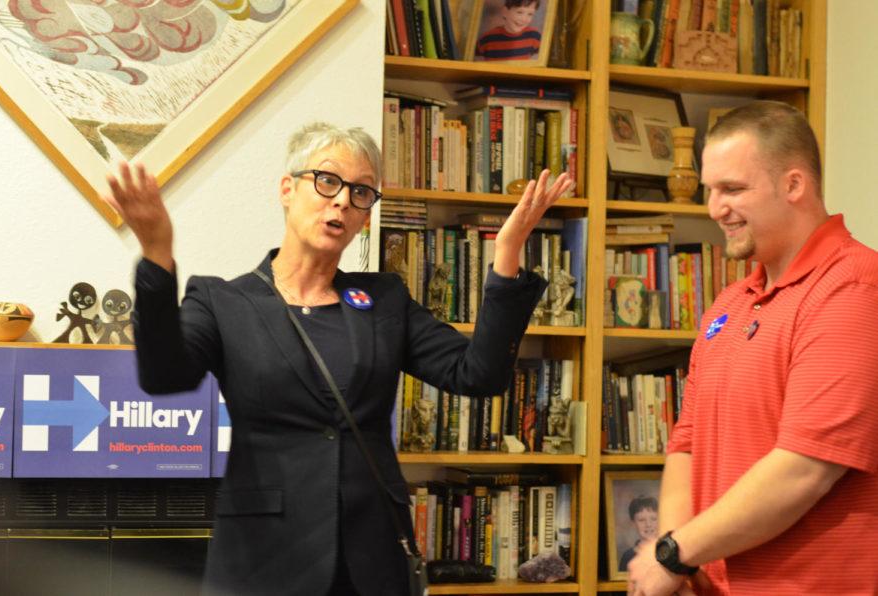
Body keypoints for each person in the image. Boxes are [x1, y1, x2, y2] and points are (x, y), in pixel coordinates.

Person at [103, 122, 572, 596]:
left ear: (366, 215)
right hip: (262, 558)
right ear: (288, 189)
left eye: (361, 192)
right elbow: (163, 376)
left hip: (371, 558)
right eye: (327, 181)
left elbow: (479, 374)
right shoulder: (222, 301)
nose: (343, 200)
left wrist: (507, 253)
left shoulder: (384, 300)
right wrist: (156, 251)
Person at [627, 101, 878, 595]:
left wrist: (675, 553)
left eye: (733, 189)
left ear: (794, 184)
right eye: (710, 190)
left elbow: (804, 468)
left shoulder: (855, 289)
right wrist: (674, 557)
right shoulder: (731, 302)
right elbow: (688, 441)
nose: (716, 207)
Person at [475, 0, 542, 61]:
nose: (524, 19)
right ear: (505, 12)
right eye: (519, 12)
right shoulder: (487, 38)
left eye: (530, 14)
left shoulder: (535, 36)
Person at [619, 496, 659, 572]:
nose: (648, 524)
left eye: (653, 519)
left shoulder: (669, 553)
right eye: (641, 520)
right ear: (633, 523)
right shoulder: (628, 557)